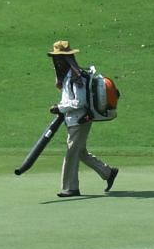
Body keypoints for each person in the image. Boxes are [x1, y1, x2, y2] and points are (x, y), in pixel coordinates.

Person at [49, 39, 119, 198]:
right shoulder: (69, 76)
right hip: (74, 119)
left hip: (80, 120)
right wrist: (61, 107)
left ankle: (70, 188)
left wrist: (60, 108)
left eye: (59, 58)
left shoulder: (76, 77)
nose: (56, 61)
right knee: (80, 152)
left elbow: (79, 102)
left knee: (71, 153)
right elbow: (71, 99)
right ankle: (108, 173)